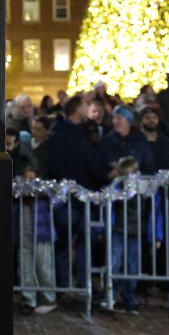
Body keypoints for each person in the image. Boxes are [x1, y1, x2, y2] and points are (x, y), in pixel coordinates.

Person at [48, 96, 102, 290]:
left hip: (86, 197)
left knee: (84, 243)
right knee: (63, 243)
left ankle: (82, 284)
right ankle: (62, 285)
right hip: (68, 197)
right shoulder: (61, 134)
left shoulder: (85, 132)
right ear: (78, 109)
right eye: (86, 105)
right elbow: (57, 164)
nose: (89, 108)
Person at [107, 157, 163, 313]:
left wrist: (157, 235)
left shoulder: (145, 185)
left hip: (137, 232)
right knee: (114, 264)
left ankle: (129, 298)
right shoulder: (117, 184)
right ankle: (112, 295)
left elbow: (156, 211)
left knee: (133, 267)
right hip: (118, 230)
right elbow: (108, 205)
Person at [13, 167, 56, 315]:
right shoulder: (18, 198)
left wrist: (43, 192)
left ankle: (48, 298)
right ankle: (28, 299)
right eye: (27, 179)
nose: (29, 182)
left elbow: (57, 200)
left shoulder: (45, 193)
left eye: (32, 179)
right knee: (25, 268)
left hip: (42, 236)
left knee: (43, 267)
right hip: (23, 236)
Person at [98, 106, 155, 177]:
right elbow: (98, 168)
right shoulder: (106, 142)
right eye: (114, 118)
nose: (115, 121)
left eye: (119, 118)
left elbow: (149, 168)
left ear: (129, 121)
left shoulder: (140, 142)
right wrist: (108, 175)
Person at [138, 106, 169, 172]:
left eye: (154, 117)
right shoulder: (135, 142)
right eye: (147, 117)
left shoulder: (168, 142)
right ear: (141, 121)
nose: (151, 121)